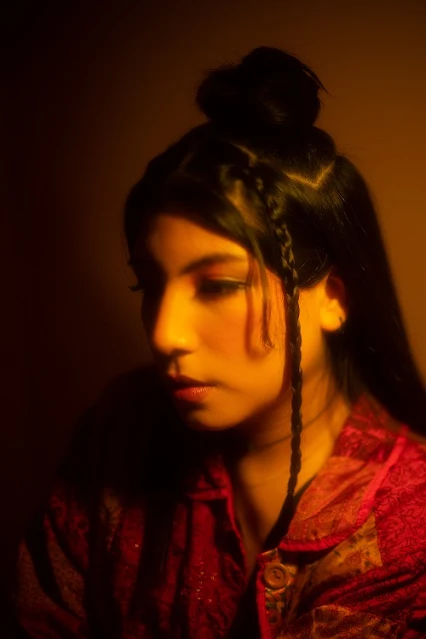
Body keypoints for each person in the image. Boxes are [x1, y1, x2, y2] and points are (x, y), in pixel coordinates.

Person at [14, 47, 426, 638]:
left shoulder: (409, 523)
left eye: (219, 286)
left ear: (333, 298)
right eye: (148, 284)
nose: (165, 333)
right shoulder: (119, 431)